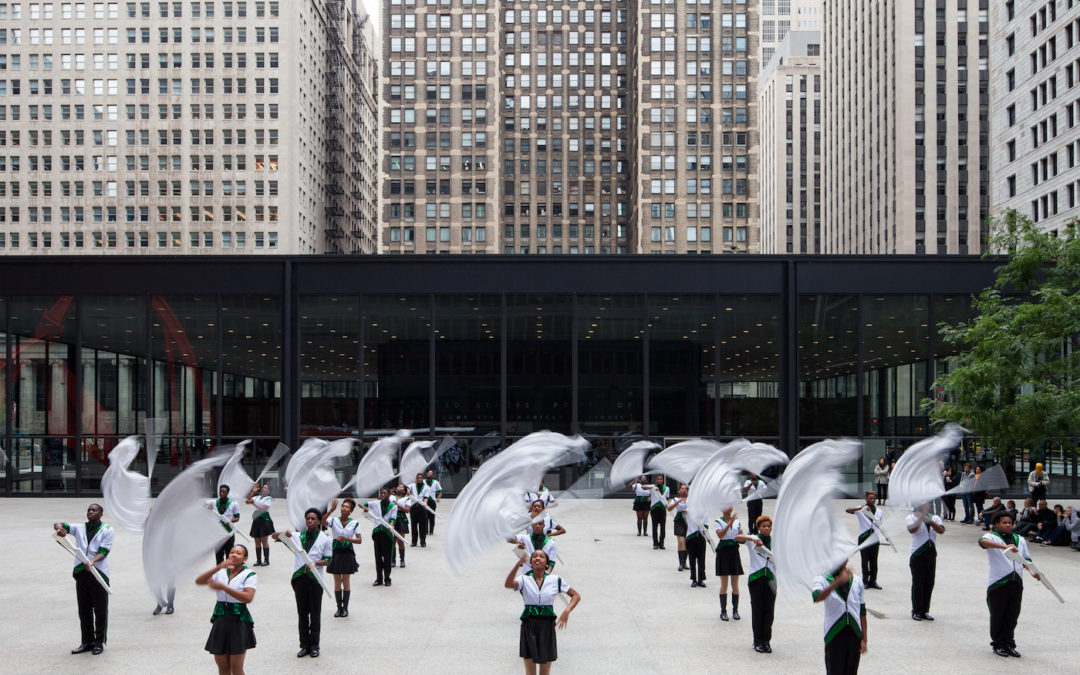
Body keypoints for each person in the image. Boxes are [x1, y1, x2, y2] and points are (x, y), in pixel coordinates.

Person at [504, 550, 581, 675]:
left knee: (545, 672)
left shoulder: (555, 580)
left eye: (541, 556)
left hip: (547, 626)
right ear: (530, 562)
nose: (537, 558)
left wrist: (567, 611)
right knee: (530, 672)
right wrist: (517, 564)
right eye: (534, 556)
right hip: (529, 625)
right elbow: (508, 584)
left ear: (547, 562)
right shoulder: (524, 579)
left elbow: (576, 596)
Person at [54, 504, 114, 655]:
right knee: (84, 609)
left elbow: (104, 551)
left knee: (100, 610)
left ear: (101, 513)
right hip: (81, 572)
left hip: (98, 573)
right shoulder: (79, 528)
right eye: (89, 510)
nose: (91, 512)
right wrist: (59, 529)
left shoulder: (107, 530)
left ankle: (99, 642)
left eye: (94, 510)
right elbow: (59, 524)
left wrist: (92, 561)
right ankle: (87, 641)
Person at [979, 511, 1041, 657]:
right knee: (998, 614)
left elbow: (1025, 558)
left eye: (1010, 523)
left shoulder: (1020, 539)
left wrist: (1032, 571)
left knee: (1012, 615)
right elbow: (982, 542)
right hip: (998, 582)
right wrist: (1004, 547)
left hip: (1016, 582)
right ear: (996, 524)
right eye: (1004, 522)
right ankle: (998, 644)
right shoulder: (993, 537)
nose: (1008, 525)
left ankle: (1009, 643)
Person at [273, 509, 332, 657]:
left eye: (313, 518)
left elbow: (329, 559)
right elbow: (274, 536)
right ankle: (304, 645)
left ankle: (314, 645)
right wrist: (284, 534)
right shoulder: (298, 536)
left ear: (319, 521)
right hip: (300, 579)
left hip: (315, 580)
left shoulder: (325, 538)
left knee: (315, 613)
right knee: (302, 613)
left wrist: (316, 562)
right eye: (307, 519)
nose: (310, 521)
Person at [197, 544, 257, 675]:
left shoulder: (249, 574)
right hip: (221, 620)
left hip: (239, 621)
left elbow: (248, 597)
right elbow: (199, 581)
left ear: (245, 558)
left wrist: (224, 588)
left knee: (236, 668)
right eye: (232, 552)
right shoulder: (221, 572)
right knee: (222, 666)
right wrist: (218, 567)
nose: (234, 555)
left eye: (238, 553)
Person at [812, 564, 867, 675]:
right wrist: (836, 583)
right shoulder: (822, 578)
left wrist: (864, 639)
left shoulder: (856, 580)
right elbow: (817, 597)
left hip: (854, 634)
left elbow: (861, 611)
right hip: (834, 634)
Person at [739, 515, 776, 653]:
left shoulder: (775, 541)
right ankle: (757, 640)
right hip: (756, 578)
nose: (767, 528)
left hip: (772, 578)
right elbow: (738, 538)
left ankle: (766, 640)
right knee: (758, 610)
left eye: (769, 526)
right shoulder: (754, 539)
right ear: (759, 528)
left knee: (769, 611)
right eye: (764, 526)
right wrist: (752, 538)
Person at [322, 498, 363, 618]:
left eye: (347, 507)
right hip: (335, 552)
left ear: (350, 511)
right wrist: (331, 510)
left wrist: (347, 539)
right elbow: (322, 522)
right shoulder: (334, 520)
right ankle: (338, 607)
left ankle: (345, 608)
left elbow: (359, 540)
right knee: (336, 580)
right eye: (342, 506)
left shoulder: (354, 523)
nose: (344, 508)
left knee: (345, 580)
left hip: (347, 553)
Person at [906, 503, 945, 621]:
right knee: (918, 583)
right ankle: (916, 610)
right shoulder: (911, 517)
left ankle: (924, 610)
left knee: (929, 583)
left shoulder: (936, 518)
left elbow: (941, 530)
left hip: (931, 553)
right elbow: (912, 530)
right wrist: (921, 517)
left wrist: (929, 520)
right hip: (917, 554)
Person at [845, 491, 882, 590]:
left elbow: (879, 524)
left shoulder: (879, 511)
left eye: (874, 498)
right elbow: (847, 510)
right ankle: (865, 581)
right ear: (866, 499)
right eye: (870, 498)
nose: (872, 500)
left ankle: (873, 581)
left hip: (874, 538)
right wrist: (861, 508)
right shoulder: (861, 508)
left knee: (874, 561)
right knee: (865, 560)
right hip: (864, 538)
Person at [362, 488, 398, 587]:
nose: (382, 494)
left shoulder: (393, 506)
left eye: (384, 493)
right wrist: (365, 508)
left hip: (387, 533)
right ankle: (379, 578)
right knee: (378, 557)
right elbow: (364, 503)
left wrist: (391, 524)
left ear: (389, 494)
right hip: (377, 532)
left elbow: (393, 518)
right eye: (381, 493)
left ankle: (387, 578)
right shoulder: (376, 503)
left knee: (387, 558)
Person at [713, 506, 744, 621]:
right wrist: (729, 523)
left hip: (734, 551)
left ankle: (735, 610)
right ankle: (723, 611)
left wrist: (741, 535)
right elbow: (720, 535)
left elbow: (739, 537)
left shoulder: (737, 521)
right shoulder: (718, 521)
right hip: (723, 552)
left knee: (735, 583)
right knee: (724, 583)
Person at [208, 485, 241, 565]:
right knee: (218, 555)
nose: (221, 493)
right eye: (220, 491)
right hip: (218, 533)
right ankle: (219, 572)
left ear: (227, 492)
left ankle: (229, 572)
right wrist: (208, 507)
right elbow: (203, 505)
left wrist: (230, 521)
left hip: (229, 532)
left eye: (223, 492)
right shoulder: (214, 502)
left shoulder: (234, 503)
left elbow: (237, 518)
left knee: (229, 554)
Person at [246, 484, 275, 567]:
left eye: (266, 488)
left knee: (264, 540)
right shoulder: (257, 497)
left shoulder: (269, 499)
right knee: (257, 541)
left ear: (268, 491)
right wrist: (253, 491)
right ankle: (258, 560)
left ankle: (266, 560)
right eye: (263, 487)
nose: (263, 488)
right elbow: (247, 500)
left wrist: (253, 503)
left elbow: (263, 509)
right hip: (256, 520)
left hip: (264, 520)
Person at [667, 485, 690, 570]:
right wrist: (678, 502)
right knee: (681, 542)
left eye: (685, 489)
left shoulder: (690, 500)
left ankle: (684, 562)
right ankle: (680, 563)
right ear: (679, 490)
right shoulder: (675, 499)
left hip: (689, 521)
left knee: (687, 542)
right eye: (682, 489)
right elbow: (669, 508)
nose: (683, 490)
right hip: (679, 520)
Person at [685, 510, 709, 588]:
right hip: (691, 535)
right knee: (692, 559)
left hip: (701, 536)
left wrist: (707, 536)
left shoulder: (705, 511)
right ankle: (693, 579)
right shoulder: (689, 509)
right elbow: (682, 511)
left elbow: (705, 525)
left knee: (701, 559)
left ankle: (701, 579)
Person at [390, 484, 413, 567]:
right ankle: (393, 560)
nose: (399, 487)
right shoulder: (391, 497)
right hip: (392, 519)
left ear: (404, 490)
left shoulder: (406, 499)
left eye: (402, 487)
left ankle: (402, 560)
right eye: (398, 486)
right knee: (392, 541)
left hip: (401, 520)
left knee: (400, 541)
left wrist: (397, 505)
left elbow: (407, 510)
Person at [407, 472, 432, 547]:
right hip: (413, 507)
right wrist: (408, 490)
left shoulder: (426, 487)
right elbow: (407, 488)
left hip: (422, 507)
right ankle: (414, 541)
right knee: (413, 525)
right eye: (417, 478)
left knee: (423, 526)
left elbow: (426, 497)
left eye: (420, 478)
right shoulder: (412, 485)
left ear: (423, 479)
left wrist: (425, 503)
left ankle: (423, 542)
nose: (419, 479)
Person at [649, 475, 671, 550]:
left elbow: (667, 498)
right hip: (654, 508)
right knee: (654, 527)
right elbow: (643, 487)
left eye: (660, 479)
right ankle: (655, 543)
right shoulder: (652, 487)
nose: (659, 480)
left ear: (663, 480)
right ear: (656, 480)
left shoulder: (667, 488)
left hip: (662, 509)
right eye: (658, 479)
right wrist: (651, 487)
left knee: (663, 527)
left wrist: (667, 505)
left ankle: (661, 543)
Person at [423, 469, 443, 535]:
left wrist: (438, 498)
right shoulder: (423, 481)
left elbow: (440, 490)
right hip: (425, 500)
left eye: (431, 473)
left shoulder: (435, 482)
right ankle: (425, 530)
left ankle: (431, 530)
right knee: (425, 516)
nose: (429, 474)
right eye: (428, 473)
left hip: (432, 501)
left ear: (433, 475)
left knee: (432, 516)